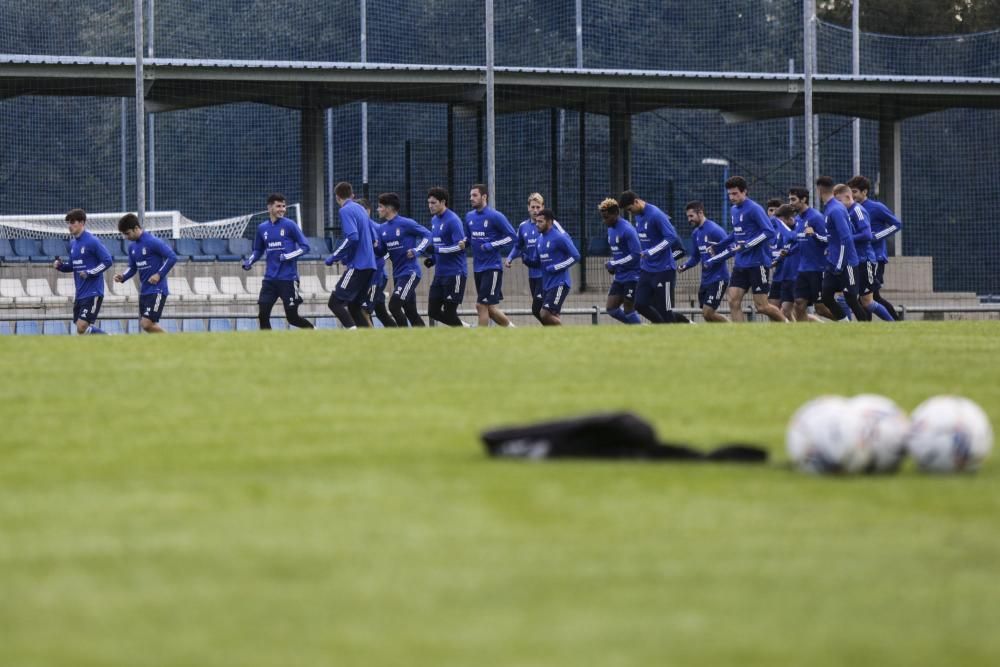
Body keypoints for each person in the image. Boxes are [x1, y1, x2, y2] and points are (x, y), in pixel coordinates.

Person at [704, 177, 786, 323]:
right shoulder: (734, 210)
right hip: (740, 264)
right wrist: (719, 245)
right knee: (733, 301)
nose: (732, 197)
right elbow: (736, 233)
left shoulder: (754, 209)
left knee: (762, 306)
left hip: (758, 263)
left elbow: (769, 232)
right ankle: (741, 335)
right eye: (729, 194)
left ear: (744, 192)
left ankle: (786, 324)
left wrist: (747, 245)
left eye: (735, 193)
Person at [240, 193, 314, 330]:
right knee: (263, 315)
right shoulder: (262, 228)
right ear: (269, 208)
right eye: (278, 206)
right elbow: (258, 250)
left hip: (288, 279)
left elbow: (306, 247)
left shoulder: (290, 225)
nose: (282, 209)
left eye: (284, 206)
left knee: (292, 318)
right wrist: (249, 261)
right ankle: (268, 345)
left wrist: (289, 256)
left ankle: (314, 331)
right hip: (270, 280)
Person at [618, 190, 691, 324]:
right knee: (639, 304)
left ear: (636, 202)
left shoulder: (656, 214)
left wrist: (651, 252)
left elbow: (671, 237)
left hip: (664, 270)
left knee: (665, 310)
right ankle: (663, 326)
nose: (630, 212)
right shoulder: (638, 215)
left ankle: (678, 332)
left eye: (630, 209)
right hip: (647, 269)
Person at [834, 184, 894, 322]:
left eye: (839, 201)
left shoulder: (857, 210)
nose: (837, 205)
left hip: (865, 261)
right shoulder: (846, 212)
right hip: (853, 262)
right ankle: (853, 326)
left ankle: (893, 323)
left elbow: (866, 234)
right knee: (846, 297)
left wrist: (847, 239)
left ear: (848, 197)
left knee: (867, 301)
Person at [847, 175, 903, 320]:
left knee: (873, 297)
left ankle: (896, 323)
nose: (851, 195)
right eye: (850, 192)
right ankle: (869, 326)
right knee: (865, 297)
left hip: (875, 257)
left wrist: (877, 236)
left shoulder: (876, 207)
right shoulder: (850, 209)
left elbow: (897, 224)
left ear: (864, 192)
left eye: (855, 192)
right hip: (859, 257)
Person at [113, 213, 177, 333]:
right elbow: (132, 267)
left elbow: (172, 257)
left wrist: (159, 274)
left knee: (146, 324)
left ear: (136, 228)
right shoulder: (132, 247)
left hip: (157, 290)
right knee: (148, 325)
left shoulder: (153, 242)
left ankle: (174, 342)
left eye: (127, 233)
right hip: (144, 291)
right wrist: (123, 276)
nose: (126, 237)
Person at [325, 182, 378, 329]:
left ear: (337, 197)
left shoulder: (345, 210)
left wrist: (333, 256)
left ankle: (352, 335)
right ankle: (367, 341)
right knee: (354, 306)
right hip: (370, 266)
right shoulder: (361, 209)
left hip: (358, 266)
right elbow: (374, 240)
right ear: (352, 195)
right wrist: (348, 256)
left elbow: (352, 237)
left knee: (334, 303)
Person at [53, 208, 113, 335]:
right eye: (68, 223)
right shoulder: (73, 244)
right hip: (80, 293)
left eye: (73, 222)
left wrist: (90, 272)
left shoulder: (92, 241)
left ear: (82, 222)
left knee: (81, 326)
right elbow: (72, 266)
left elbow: (108, 261)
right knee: (81, 330)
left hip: (93, 291)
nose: (70, 226)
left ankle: (110, 338)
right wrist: (60, 266)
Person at [376, 192, 432, 327]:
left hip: (410, 273)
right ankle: (427, 341)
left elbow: (428, 235)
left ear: (388, 208)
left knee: (394, 306)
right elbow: (382, 252)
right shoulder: (382, 228)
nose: (378, 209)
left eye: (380, 206)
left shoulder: (406, 223)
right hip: (397, 275)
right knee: (410, 312)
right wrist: (374, 247)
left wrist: (417, 251)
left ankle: (402, 337)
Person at [465, 183, 517, 327]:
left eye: (474, 195)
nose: (471, 198)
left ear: (484, 196)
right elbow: (469, 239)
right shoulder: (469, 217)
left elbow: (512, 237)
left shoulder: (495, 216)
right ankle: (514, 332)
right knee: (491, 309)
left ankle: (481, 341)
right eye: (470, 195)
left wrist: (492, 245)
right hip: (478, 268)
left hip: (492, 268)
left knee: (481, 306)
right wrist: (463, 243)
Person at [816, 177, 866, 322]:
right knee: (826, 296)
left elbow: (846, 238)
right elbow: (833, 237)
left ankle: (866, 327)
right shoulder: (830, 208)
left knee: (851, 299)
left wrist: (840, 263)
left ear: (819, 190)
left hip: (847, 263)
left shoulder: (836, 209)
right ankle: (845, 324)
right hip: (833, 261)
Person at [678, 201, 730, 322]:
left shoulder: (715, 230)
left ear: (700, 213)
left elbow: (730, 249)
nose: (689, 219)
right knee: (707, 315)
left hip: (719, 278)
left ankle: (734, 328)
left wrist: (714, 259)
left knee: (708, 312)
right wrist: (684, 266)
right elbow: (696, 257)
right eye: (688, 216)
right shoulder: (696, 233)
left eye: (691, 216)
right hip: (705, 280)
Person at [788, 186, 834, 322]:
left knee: (820, 308)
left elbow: (829, 240)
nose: (790, 202)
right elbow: (800, 241)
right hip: (803, 269)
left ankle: (845, 322)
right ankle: (803, 335)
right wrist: (787, 252)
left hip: (817, 269)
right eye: (789, 199)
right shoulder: (798, 219)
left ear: (803, 199)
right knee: (799, 303)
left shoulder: (816, 217)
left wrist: (814, 235)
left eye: (793, 199)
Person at [426, 187, 469, 327]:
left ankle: (466, 335)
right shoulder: (434, 220)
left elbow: (459, 247)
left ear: (443, 202)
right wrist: (432, 259)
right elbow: (439, 243)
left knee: (450, 313)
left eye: (433, 203)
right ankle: (465, 329)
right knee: (432, 311)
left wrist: (437, 250)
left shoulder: (453, 220)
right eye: (429, 202)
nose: (430, 206)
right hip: (439, 274)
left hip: (455, 273)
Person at [505, 192, 547, 323]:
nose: (535, 210)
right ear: (528, 208)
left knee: (537, 309)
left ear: (543, 207)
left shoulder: (548, 225)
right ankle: (553, 333)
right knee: (541, 309)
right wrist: (510, 257)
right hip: (532, 275)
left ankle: (555, 330)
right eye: (533, 207)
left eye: (538, 207)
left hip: (546, 275)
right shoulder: (523, 226)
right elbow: (518, 246)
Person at [599, 198, 642, 324]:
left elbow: (636, 255)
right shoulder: (610, 229)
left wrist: (615, 263)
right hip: (620, 276)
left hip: (633, 275)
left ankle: (641, 333)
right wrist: (614, 266)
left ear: (616, 214)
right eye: (603, 217)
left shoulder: (627, 230)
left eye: (606, 217)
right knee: (611, 308)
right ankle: (638, 327)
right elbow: (619, 253)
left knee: (629, 309)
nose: (604, 220)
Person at [535, 208, 580, 326]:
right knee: (552, 316)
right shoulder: (539, 240)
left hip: (560, 283)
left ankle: (569, 335)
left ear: (549, 222)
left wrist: (557, 267)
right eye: (536, 221)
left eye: (540, 222)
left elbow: (575, 256)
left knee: (544, 314)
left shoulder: (559, 237)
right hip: (546, 284)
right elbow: (537, 261)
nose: (537, 224)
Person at [356, 198, 392, 328]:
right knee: (381, 312)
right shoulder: (356, 229)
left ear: (368, 211)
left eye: (360, 211)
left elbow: (388, 251)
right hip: (364, 278)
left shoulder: (378, 228)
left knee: (363, 310)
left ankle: (370, 341)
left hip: (376, 277)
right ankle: (398, 335)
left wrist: (376, 261)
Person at [770, 204, 800, 321]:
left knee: (794, 310)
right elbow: (781, 250)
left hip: (795, 275)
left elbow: (793, 238)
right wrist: (774, 260)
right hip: (781, 275)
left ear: (789, 218)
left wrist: (780, 224)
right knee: (776, 309)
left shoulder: (798, 227)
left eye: (781, 221)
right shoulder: (779, 232)